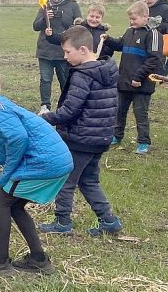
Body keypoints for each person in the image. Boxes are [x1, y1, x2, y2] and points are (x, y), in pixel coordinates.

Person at [0, 70, 73, 275]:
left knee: (1, 199)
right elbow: (3, 152)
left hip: (44, 163)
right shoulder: (1, 105)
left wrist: (7, 174)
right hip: (57, 160)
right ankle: (39, 260)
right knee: (14, 205)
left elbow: (18, 139)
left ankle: (1, 262)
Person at [36, 26, 123, 236]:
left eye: (68, 52)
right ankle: (109, 221)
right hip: (100, 136)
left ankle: (62, 222)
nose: (65, 57)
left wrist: (43, 119)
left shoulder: (83, 75)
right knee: (88, 179)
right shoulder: (107, 70)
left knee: (66, 179)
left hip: (81, 138)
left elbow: (69, 111)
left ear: (83, 49)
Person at [103, 1, 163, 155]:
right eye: (130, 19)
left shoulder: (153, 34)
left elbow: (154, 59)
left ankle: (144, 142)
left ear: (145, 17)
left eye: (134, 19)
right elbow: (120, 45)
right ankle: (117, 136)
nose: (131, 22)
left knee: (140, 113)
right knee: (119, 111)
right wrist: (108, 39)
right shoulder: (130, 31)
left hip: (141, 84)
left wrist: (139, 77)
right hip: (124, 81)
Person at [33, 0, 83, 112]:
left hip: (64, 51)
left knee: (65, 80)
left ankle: (66, 106)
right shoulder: (45, 5)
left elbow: (79, 24)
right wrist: (44, 18)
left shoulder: (72, 5)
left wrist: (69, 31)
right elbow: (35, 26)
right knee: (45, 79)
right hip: (45, 50)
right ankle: (45, 106)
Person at [46, 3, 113, 59]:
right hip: (76, 65)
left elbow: (107, 54)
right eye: (91, 16)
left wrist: (108, 49)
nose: (94, 19)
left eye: (97, 17)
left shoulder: (103, 34)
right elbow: (62, 39)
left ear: (102, 19)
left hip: (94, 67)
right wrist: (50, 35)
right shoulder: (77, 28)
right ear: (87, 15)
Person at [143, 0, 168, 73]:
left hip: (159, 41)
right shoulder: (144, 7)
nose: (147, 1)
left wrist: (156, 25)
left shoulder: (166, 9)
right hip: (144, 39)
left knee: (156, 66)